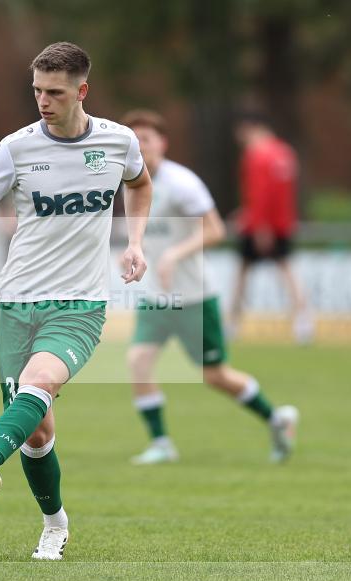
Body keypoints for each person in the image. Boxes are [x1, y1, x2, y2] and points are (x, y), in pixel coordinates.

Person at [0, 42, 152, 560]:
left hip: (81, 304)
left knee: (40, 382)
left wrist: (135, 241)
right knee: (37, 433)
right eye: (37, 90)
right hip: (18, 302)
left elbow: (140, 184)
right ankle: (54, 523)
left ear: (81, 91)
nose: (42, 100)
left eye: (54, 92)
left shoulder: (118, 141)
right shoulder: (16, 148)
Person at [120, 109, 299, 466]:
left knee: (215, 376)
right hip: (157, 296)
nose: (140, 146)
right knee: (138, 361)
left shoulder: (182, 183)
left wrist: (174, 254)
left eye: (147, 139)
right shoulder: (128, 182)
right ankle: (162, 443)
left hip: (195, 298)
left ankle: (277, 418)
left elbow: (216, 230)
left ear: (163, 144)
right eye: (133, 140)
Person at [230, 110, 313, 343]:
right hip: (282, 223)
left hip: (261, 225)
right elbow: (282, 194)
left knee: (243, 274)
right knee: (288, 272)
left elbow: (260, 193)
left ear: (250, 128)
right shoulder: (285, 152)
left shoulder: (256, 154)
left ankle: (233, 323)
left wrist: (259, 225)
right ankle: (303, 322)